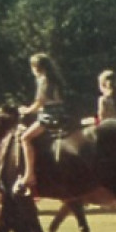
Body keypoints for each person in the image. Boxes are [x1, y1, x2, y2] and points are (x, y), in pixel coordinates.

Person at [17, 52, 69, 195]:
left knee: (25, 138)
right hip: (62, 113)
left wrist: (26, 110)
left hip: (49, 115)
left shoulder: (43, 80)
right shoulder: (56, 79)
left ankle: (29, 174)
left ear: (36, 67)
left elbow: (40, 102)